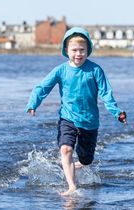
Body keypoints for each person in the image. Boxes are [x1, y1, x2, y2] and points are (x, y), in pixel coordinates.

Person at [25, 27, 127, 195]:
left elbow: (106, 93)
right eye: (74, 50)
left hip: (90, 121)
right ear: (66, 50)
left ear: (88, 50)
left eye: (82, 50)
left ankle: (75, 164)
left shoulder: (95, 70)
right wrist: (33, 103)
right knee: (66, 149)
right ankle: (72, 186)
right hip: (67, 118)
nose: (78, 54)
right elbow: (43, 87)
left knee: (86, 160)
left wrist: (117, 112)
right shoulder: (61, 70)